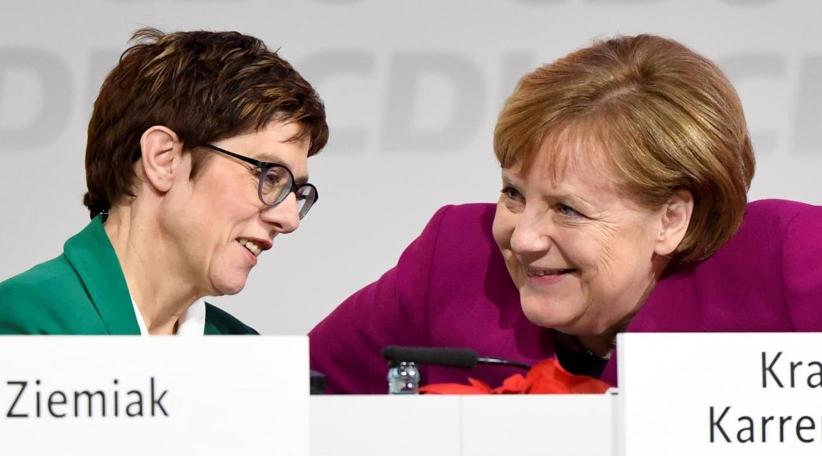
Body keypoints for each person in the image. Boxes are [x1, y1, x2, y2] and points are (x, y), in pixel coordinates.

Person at [309, 34, 822, 393]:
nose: (525, 237)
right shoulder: (454, 261)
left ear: (671, 219)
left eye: (567, 209)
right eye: (513, 194)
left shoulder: (792, 260)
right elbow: (289, 399)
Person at [0, 28, 328, 335]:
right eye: (271, 176)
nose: (289, 219)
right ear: (163, 158)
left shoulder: (246, 352)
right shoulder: (25, 324)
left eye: (295, 191)